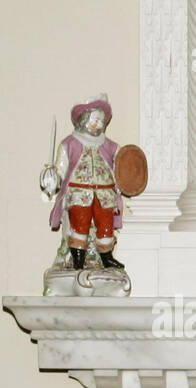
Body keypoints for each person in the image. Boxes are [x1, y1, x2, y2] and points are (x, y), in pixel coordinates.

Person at [41, 94, 125, 270]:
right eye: (94, 119)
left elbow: (124, 165)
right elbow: (61, 169)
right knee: (80, 223)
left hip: (104, 194)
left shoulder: (110, 146)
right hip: (79, 192)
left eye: (101, 121)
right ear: (83, 119)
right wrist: (52, 178)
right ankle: (78, 258)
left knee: (106, 224)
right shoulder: (69, 144)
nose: (97, 124)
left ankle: (106, 256)